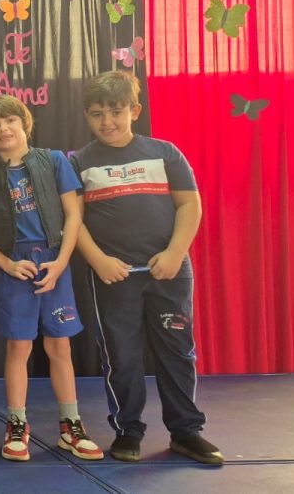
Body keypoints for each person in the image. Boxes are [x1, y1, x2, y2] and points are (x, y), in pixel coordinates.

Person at [71, 70, 224, 465]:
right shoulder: (79, 162)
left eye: (116, 112)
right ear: (86, 116)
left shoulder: (165, 153)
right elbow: (73, 220)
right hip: (114, 277)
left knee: (177, 350)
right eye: (97, 114)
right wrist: (98, 260)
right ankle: (128, 430)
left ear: (134, 111)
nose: (107, 121)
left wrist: (175, 252)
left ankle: (186, 431)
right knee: (121, 355)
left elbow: (189, 204)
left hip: (169, 272)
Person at [0, 94, 102, 462]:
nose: (3, 129)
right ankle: (16, 424)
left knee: (60, 346)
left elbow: (73, 215)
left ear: (25, 123)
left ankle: (71, 426)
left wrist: (61, 263)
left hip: (54, 259)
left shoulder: (55, 160)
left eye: (9, 120)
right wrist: (8, 265)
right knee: (18, 347)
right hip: (15, 265)